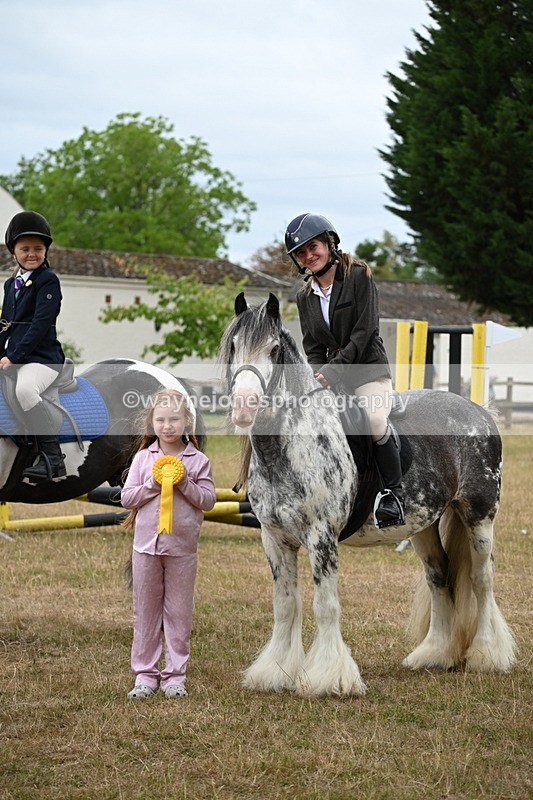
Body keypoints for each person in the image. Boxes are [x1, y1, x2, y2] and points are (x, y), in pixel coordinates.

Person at [284, 212, 405, 528]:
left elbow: (364, 332)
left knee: (374, 420)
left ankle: (393, 495)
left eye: (313, 247)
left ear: (329, 243)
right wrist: (316, 375)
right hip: (331, 377)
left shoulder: (358, 276)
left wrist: (333, 371)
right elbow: (312, 346)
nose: (309, 256)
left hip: (368, 370)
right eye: (301, 252)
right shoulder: (304, 296)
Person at [121, 388, 216, 700]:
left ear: (187, 421)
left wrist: (185, 483)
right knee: (145, 612)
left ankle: (175, 676)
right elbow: (127, 498)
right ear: (152, 422)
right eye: (161, 420)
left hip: (182, 550)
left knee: (178, 613)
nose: (167, 426)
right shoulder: (142, 459)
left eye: (174, 419)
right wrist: (152, 484)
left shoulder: (198, 461)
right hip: (145, 549)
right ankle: (145, 676)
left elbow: (208, 501)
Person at [1, 211, 66, 481]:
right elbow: (5, 324)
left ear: (45, 251)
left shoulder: (47, 281)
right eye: (25, 249)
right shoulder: (10, 284)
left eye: (38, 249)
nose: (32, 254)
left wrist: (13, 357)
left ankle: (53, 457)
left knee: (25, 390)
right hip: (16, 358)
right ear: (13, 252)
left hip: (42, 359)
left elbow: (40, 325)